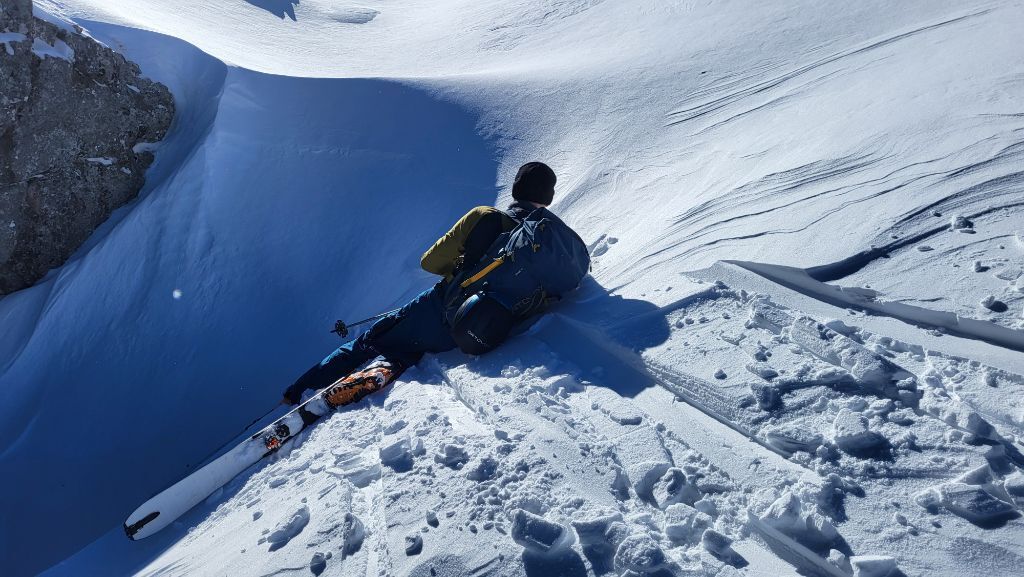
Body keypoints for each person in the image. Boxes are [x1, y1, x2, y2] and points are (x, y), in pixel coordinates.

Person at [282, 161, 571, 406]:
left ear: (516, 189)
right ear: (547, 197)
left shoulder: (486, 217)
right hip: (485, 328)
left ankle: (298, 394)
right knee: (407, 339)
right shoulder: (546, 245)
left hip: (441, 312)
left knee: (370, 339)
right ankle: (399, 356)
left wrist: (461, 269)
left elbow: (429, 262)